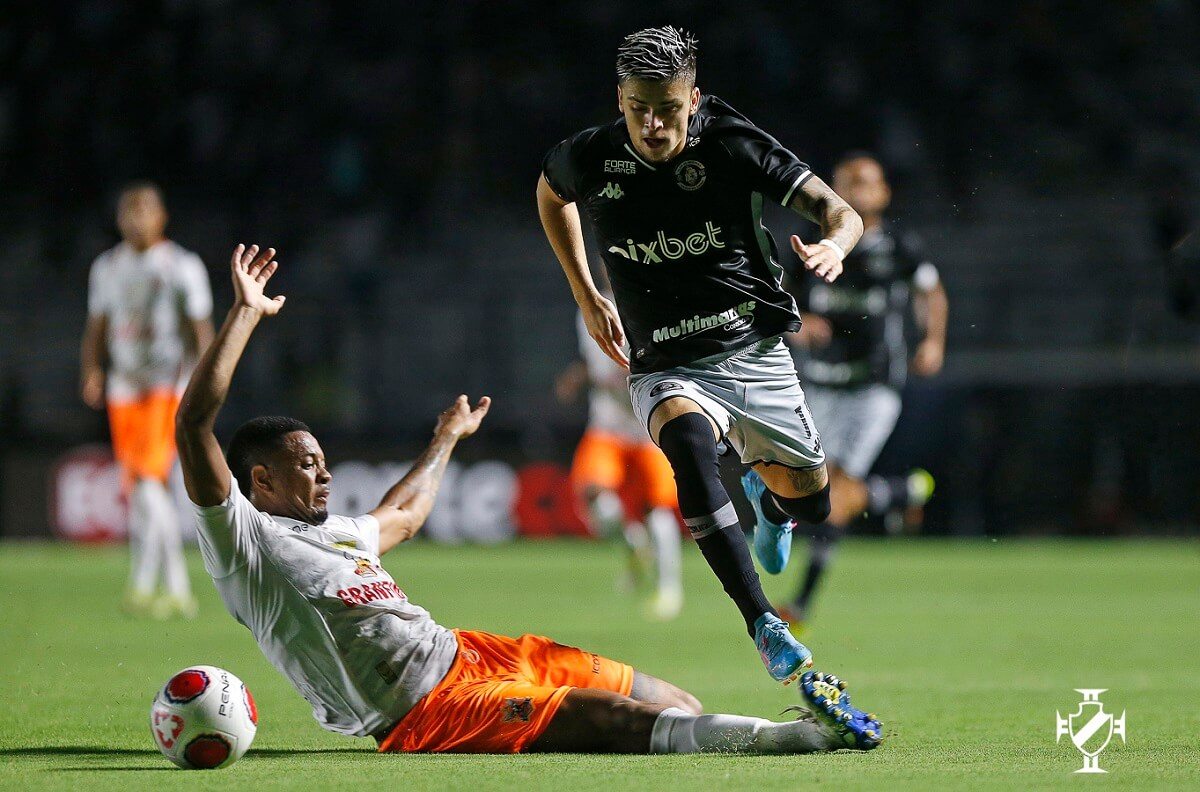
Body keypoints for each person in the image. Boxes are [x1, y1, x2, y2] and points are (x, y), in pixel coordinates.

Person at [175, 243, 883, 755]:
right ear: (259, 481)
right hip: (428, 711)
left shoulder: (337, 537)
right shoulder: (245, 546)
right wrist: (242, 314)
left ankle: (769, 732)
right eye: (304, 466)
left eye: (323, 462)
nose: (323, 476)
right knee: (611, 722)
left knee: (669, 703)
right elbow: (192, 423)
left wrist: (446, 438)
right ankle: (806, 737)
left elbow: (404, 516)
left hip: (471, 653)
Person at [536, 26, 863, 683]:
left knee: (811, 504)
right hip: (665, 360)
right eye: (637, 108)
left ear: (695, 97)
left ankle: (769, 504)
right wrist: (584, 289)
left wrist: (835, 247)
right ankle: (762, 622)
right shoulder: (593, 156)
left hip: (752, 348)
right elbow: (549, 194)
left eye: (668, 108)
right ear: (620, 98)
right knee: (686, 441)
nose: (652, 124)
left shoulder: (733, 145)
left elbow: (841, 212)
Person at [779, 153, 948, 629]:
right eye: (846, 182)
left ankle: (803, 603)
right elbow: (780, 301)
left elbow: (931, 292)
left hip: (874, 385)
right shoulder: (809, 242)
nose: (856, 191)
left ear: (884, 194)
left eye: (866, 183)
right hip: (820, 385)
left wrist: (932, 341)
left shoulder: (898, 246)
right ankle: (900, 492)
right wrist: (799, 323)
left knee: (836, 493)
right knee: (811, 492)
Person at [80, 182, 213, 618]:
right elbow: (97, 325)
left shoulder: (180, 266)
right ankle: (144, 583)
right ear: (119, 219)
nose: (136, 220)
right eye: (128, 212)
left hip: (164, 385)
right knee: (141, 489)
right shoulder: (108, 266)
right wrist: (93, 370)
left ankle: (176, 586)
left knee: (149, 481)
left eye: (144, 211)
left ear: (161, 217)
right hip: (123, 385)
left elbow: (200, 329)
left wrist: (205, 382)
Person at [556, 308, 684, 620]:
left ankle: (669, 589)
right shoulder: (590, 303)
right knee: (595, 501)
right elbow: (594, 357)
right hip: (607, 429)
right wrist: (579, 375)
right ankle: (633, 543)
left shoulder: (651, 299)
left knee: (657, 509)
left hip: (648, 429)